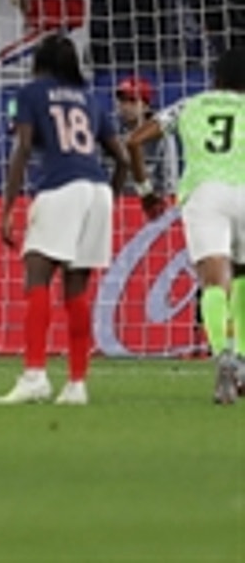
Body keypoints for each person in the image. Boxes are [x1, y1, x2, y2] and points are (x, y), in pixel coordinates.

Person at [0, 35, 128, 406]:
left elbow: (22, 148)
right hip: (97, 191)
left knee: (37, 276)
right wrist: (112, 199)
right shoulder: (91, 99)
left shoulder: (32, 93)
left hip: (61, 187)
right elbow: (122, 157)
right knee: (76, 289)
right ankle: (77, 384)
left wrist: (7, 209)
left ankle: (35, 374)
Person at [124, 46, 245, 404]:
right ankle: (241, 358)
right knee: (242, 278)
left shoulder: (191, 105)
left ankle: (221, 354)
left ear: (216, 78)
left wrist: (145, 190)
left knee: (213, 281)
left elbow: (135, 139)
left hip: (205, 195)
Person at [112, 75, 178, 199]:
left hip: (152, 200)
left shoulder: (161, 135)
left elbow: (169, 181)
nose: (126, 106)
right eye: (122, 100)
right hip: (118, 201)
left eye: (132, 100)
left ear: (145, 106)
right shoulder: (113, 133)